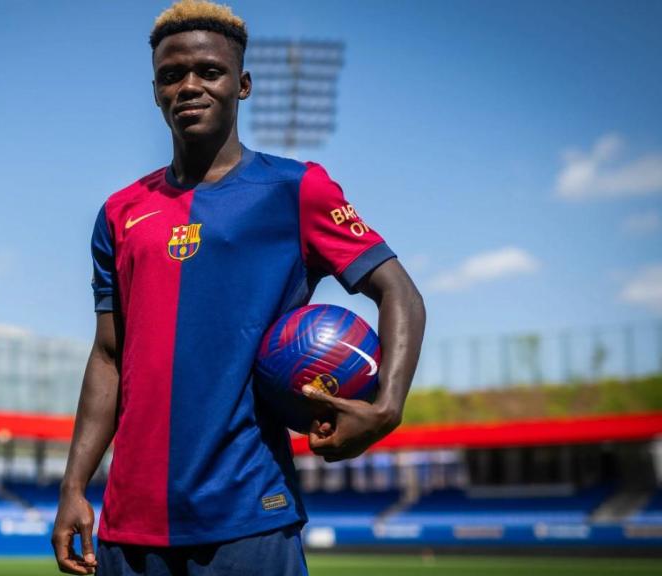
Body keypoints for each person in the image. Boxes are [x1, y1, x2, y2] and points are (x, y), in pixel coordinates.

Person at [52, 1, 426, 574]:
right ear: (155, 92)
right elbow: (108, 356)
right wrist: (75, 485)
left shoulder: (296, 189)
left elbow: (399, 291)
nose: (190, 86)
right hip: (128, 523)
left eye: (210, 71)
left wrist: (387, 407)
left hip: (250, 515)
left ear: (243, 84)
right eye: (172, 76)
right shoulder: (119, 213)